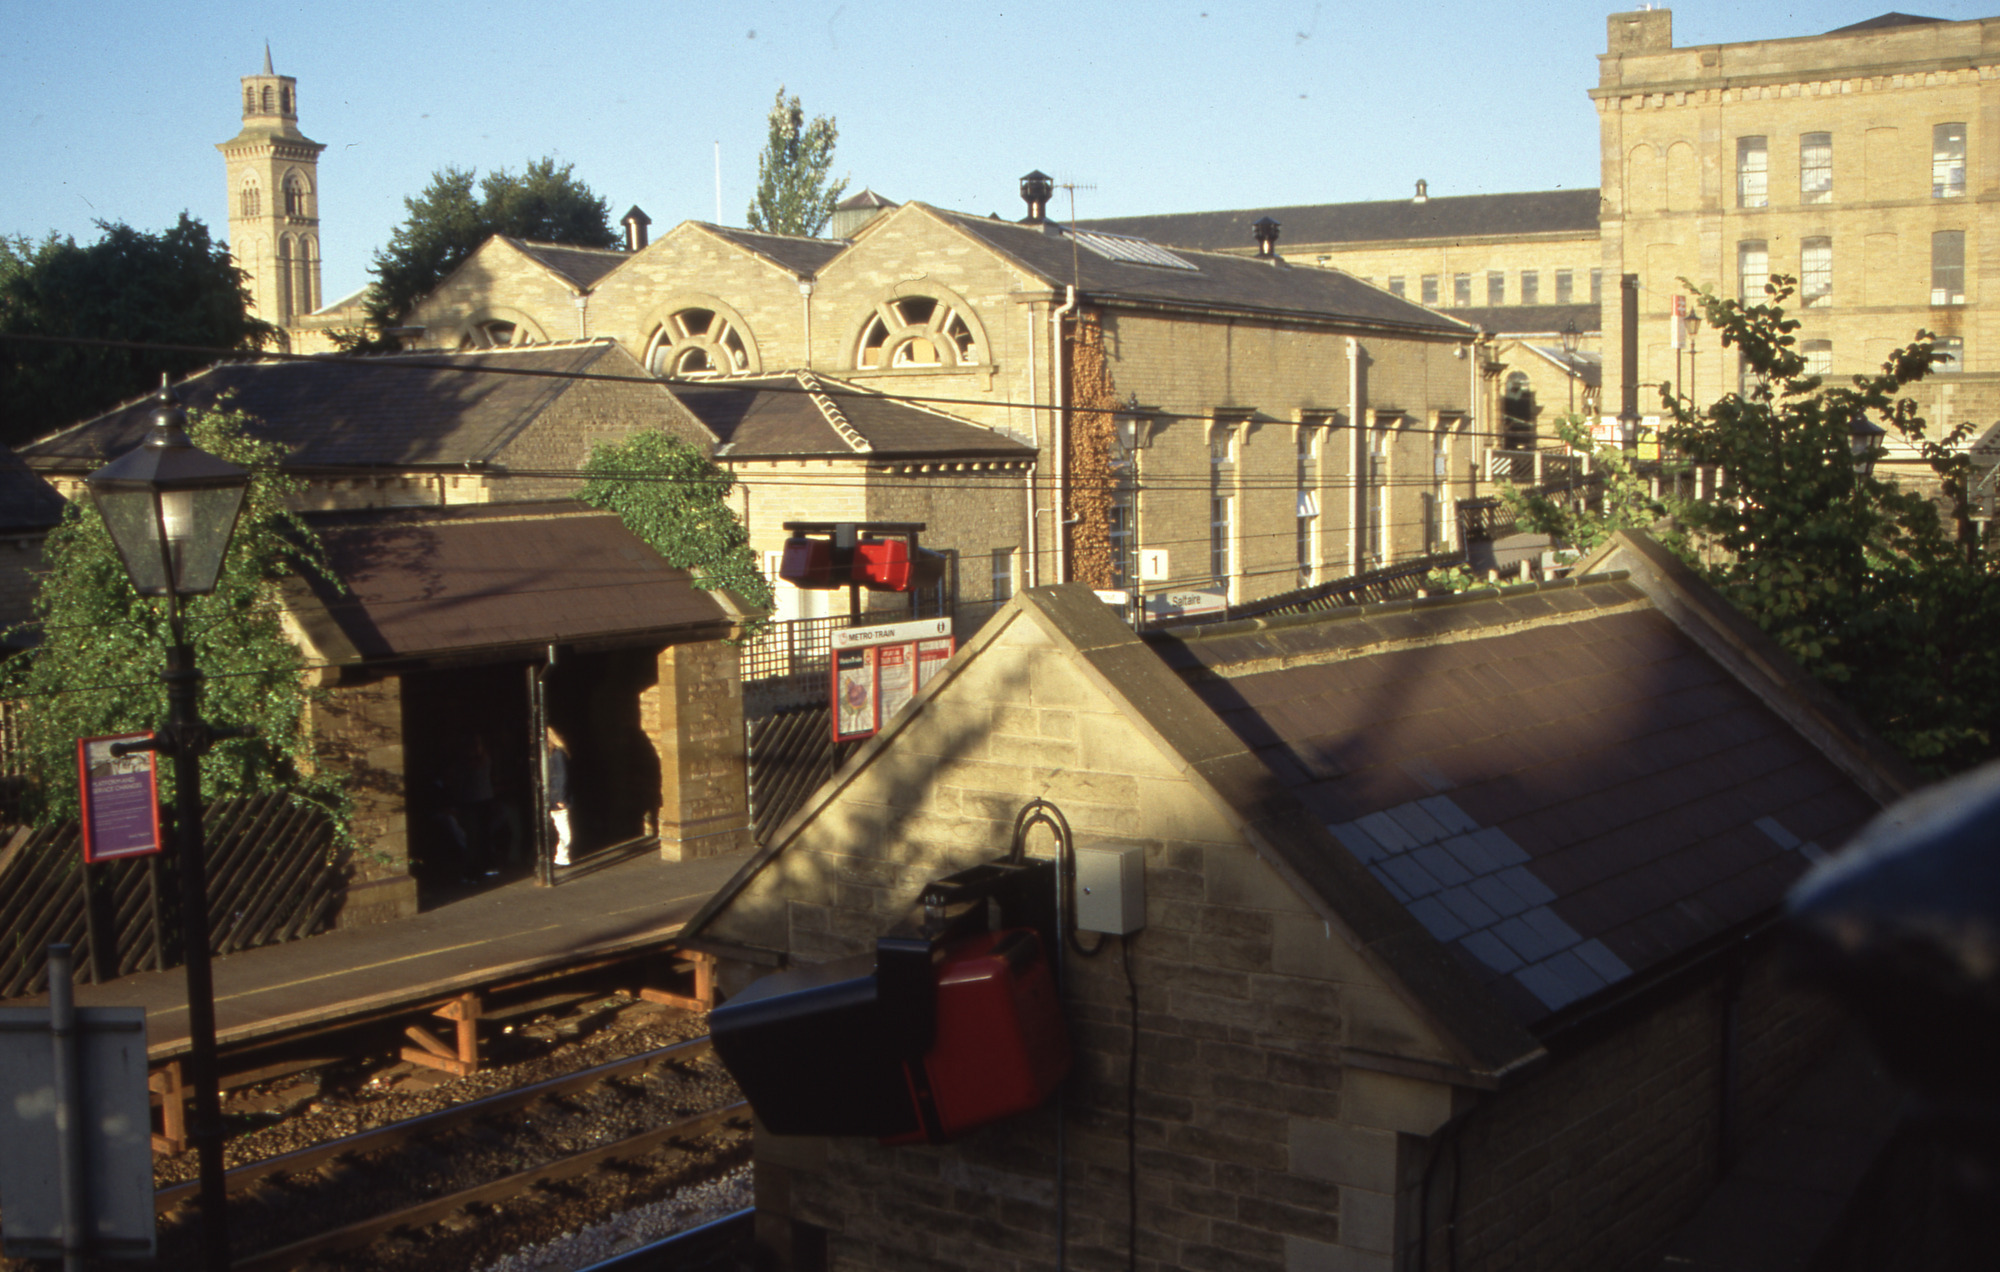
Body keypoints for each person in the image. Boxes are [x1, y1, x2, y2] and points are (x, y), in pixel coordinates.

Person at [545, 726, 573, 868]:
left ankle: (562, 856)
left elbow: (562, 776)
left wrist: (561, 797)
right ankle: (557, 854)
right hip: (551, 796)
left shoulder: (557, 754)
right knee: (555, 827)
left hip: (556, 796)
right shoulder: (549, 754)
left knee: (563, 828)